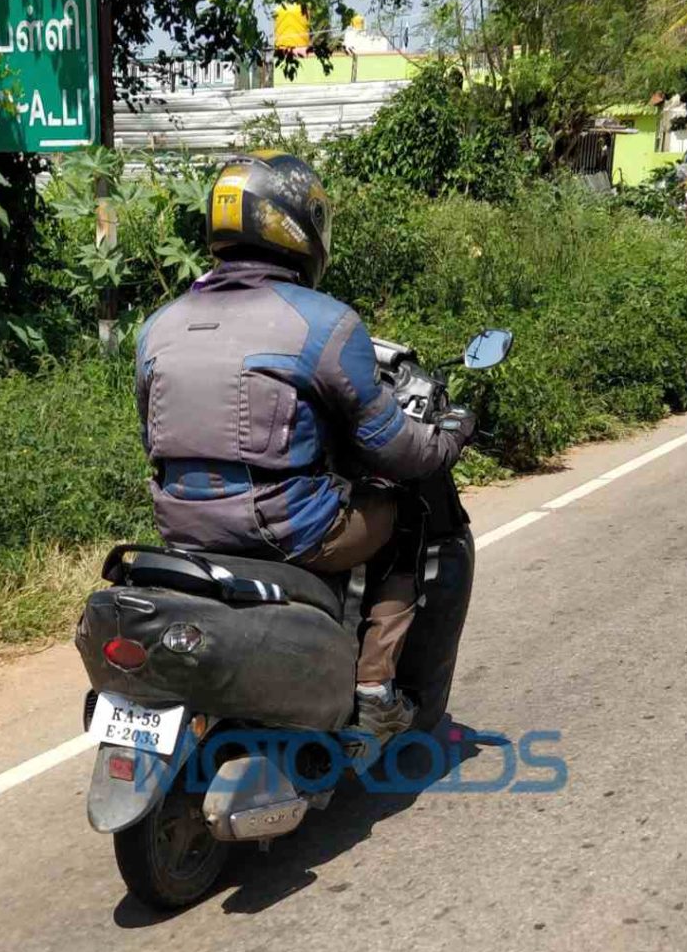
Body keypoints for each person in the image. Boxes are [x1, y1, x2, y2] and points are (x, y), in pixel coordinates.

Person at [134, 151, 476, 739]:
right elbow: (395, 449)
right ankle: (375, 688)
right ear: (299, 226)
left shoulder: (158, 325)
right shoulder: (325, 323)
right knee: (404, 516)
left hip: (180, 528)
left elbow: (153, 438)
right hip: (284, 532)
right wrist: (451, 438)